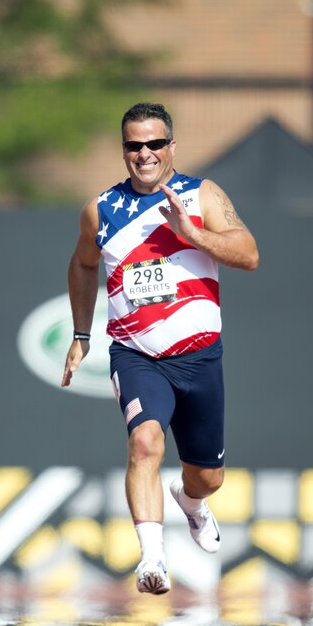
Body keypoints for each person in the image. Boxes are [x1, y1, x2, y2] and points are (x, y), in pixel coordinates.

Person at [62, 102, 258, 594]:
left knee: (208, 477)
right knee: (145, 442)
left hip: (199, 356)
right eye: (134, 145)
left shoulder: (202, 195)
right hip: (136, 354)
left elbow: (249, 254)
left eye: (155, 144)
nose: (145, 154)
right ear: (123, 150)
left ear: (172, 146)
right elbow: (84, 265)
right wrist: (81, 335)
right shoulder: (100, 209)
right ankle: (153, 560)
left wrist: (193, 234)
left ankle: (190, 502)